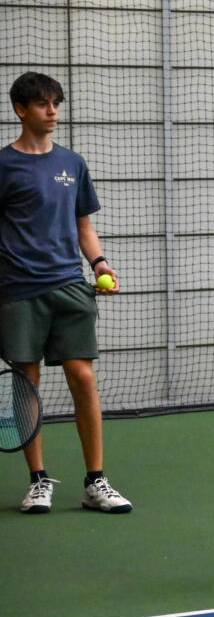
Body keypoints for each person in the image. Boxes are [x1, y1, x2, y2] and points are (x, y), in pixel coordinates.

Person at [1, 72, 130, 515]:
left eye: (56, 103)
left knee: (84, 378)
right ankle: (38, 482)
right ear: (21, 110)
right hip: (19, 292)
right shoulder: (3, 166)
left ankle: (96, 481)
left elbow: (83, 226)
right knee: (28, 386)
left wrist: (99, 264)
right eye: (42, 104)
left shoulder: (72, 163)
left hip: (70, 288)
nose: (52, 111)